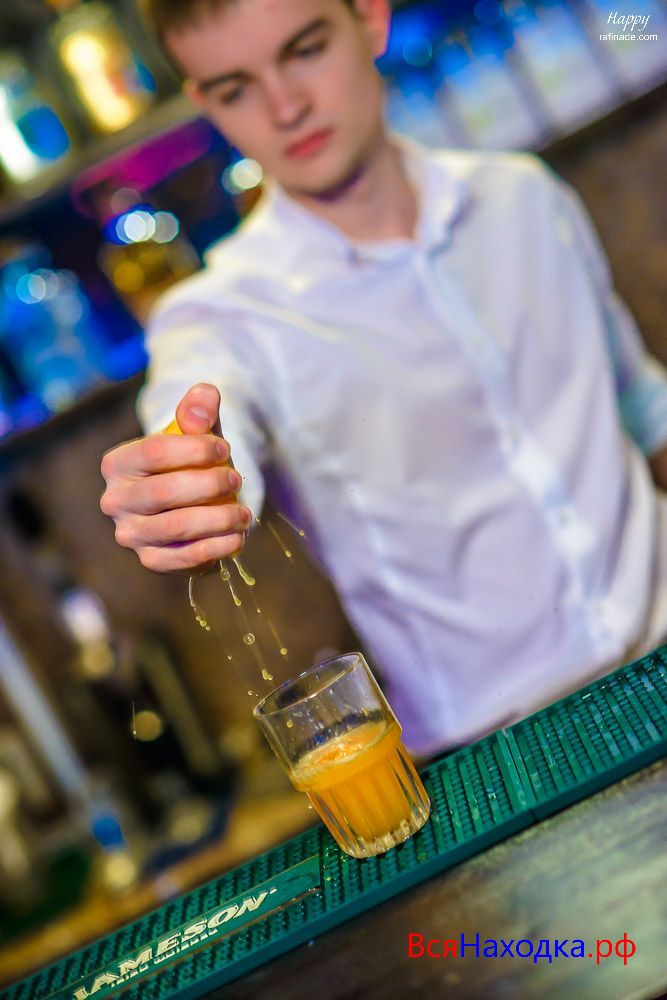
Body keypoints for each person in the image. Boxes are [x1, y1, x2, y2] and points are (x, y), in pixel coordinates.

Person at [100, 0, 667, 756]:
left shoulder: (522, 197)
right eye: (236, 89)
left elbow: (642, 408)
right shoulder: (222, 316)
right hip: (499, 749)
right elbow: (198, 402)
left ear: (369, 19)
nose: (286, 107)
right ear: (206, 103)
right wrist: (190, 472)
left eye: (305, 50)